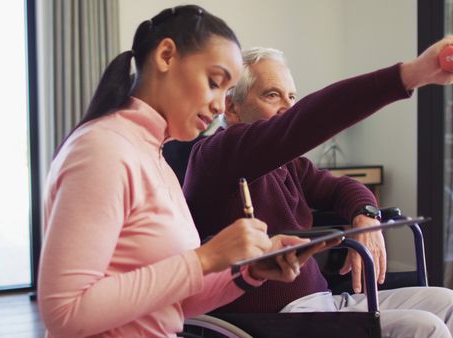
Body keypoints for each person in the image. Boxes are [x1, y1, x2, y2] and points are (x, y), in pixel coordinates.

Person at [37, 5, 327, 338]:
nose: (221, 105)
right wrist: (206, 257)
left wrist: (248, 273)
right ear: (166, 56)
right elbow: (66, 312)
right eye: (214, 82)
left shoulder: (154, 157)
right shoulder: (102, 150)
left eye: (226, 91)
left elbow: (174, 303)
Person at [183, 41, 453, 338]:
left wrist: (366, 216)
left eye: (292, 97)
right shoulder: (218, 154)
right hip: (277, 319)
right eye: (272, 95)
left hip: (322, 301)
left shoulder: (289, 165)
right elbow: (304, 120)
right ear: (231, 107)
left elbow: (343, 187)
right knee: (423, 327)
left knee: (449, 303)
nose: (288, 107)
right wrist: (410, 74)